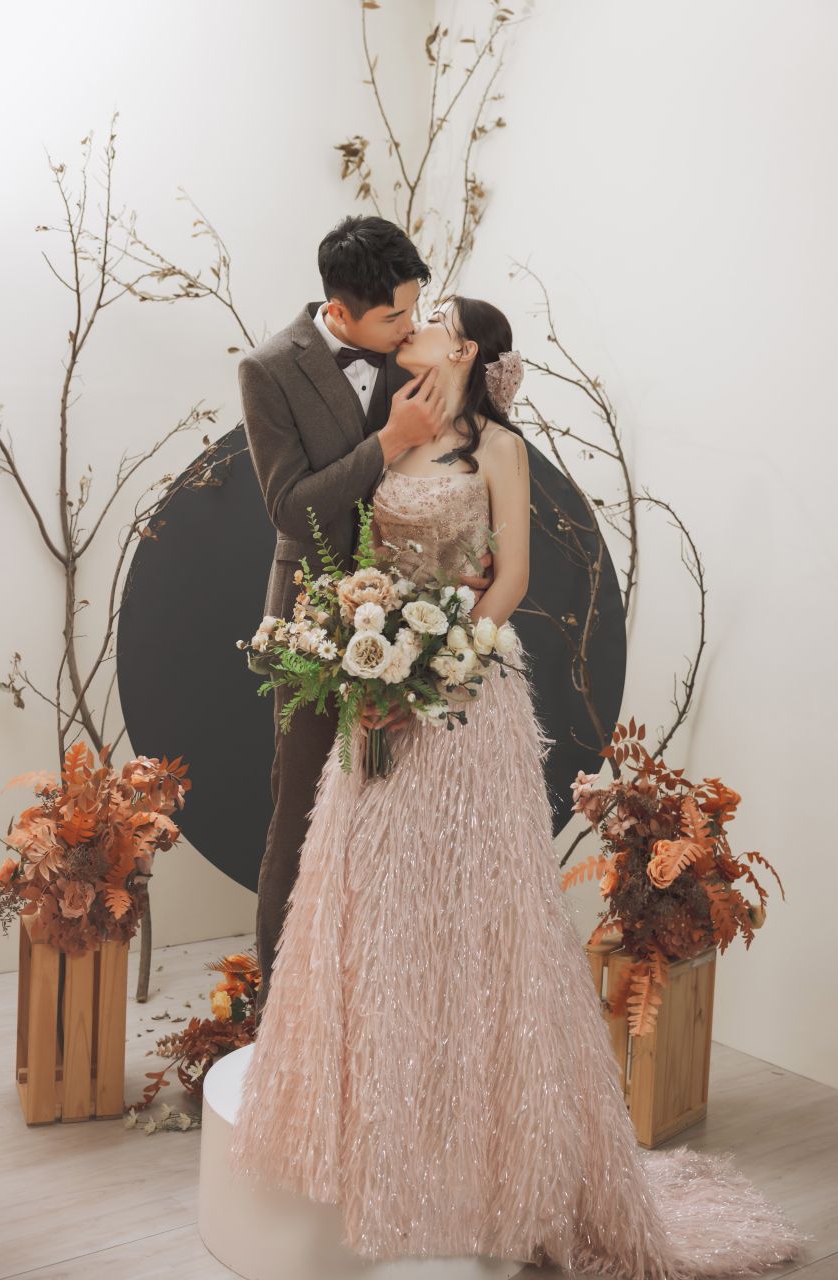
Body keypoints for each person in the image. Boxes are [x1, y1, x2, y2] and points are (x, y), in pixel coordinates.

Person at [229, 295, 809, 1275]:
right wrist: (371, 658)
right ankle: (376, 1109)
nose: (411, 327)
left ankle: (495, 1130)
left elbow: (509, 580)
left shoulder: (499, 449)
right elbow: (358, 553)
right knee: (369, 890)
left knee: (481, 900)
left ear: (462, 350)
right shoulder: (391, 431)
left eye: (431, 319)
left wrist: (437, 665)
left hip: (463, 691)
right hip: (379, 688)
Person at [238, 216, 494, 1023]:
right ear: (339, 312)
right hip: (314, 618)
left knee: (395, 819)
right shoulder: (267, 369)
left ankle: (381, 1011)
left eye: (416, 310)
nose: (409, 328)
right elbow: (290, 508)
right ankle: (281, 1019)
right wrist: (386, 441)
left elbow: (461, 467)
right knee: (302, 809)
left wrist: (464, 557)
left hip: (415, 619)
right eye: (393, 317)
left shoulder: (411, 354)